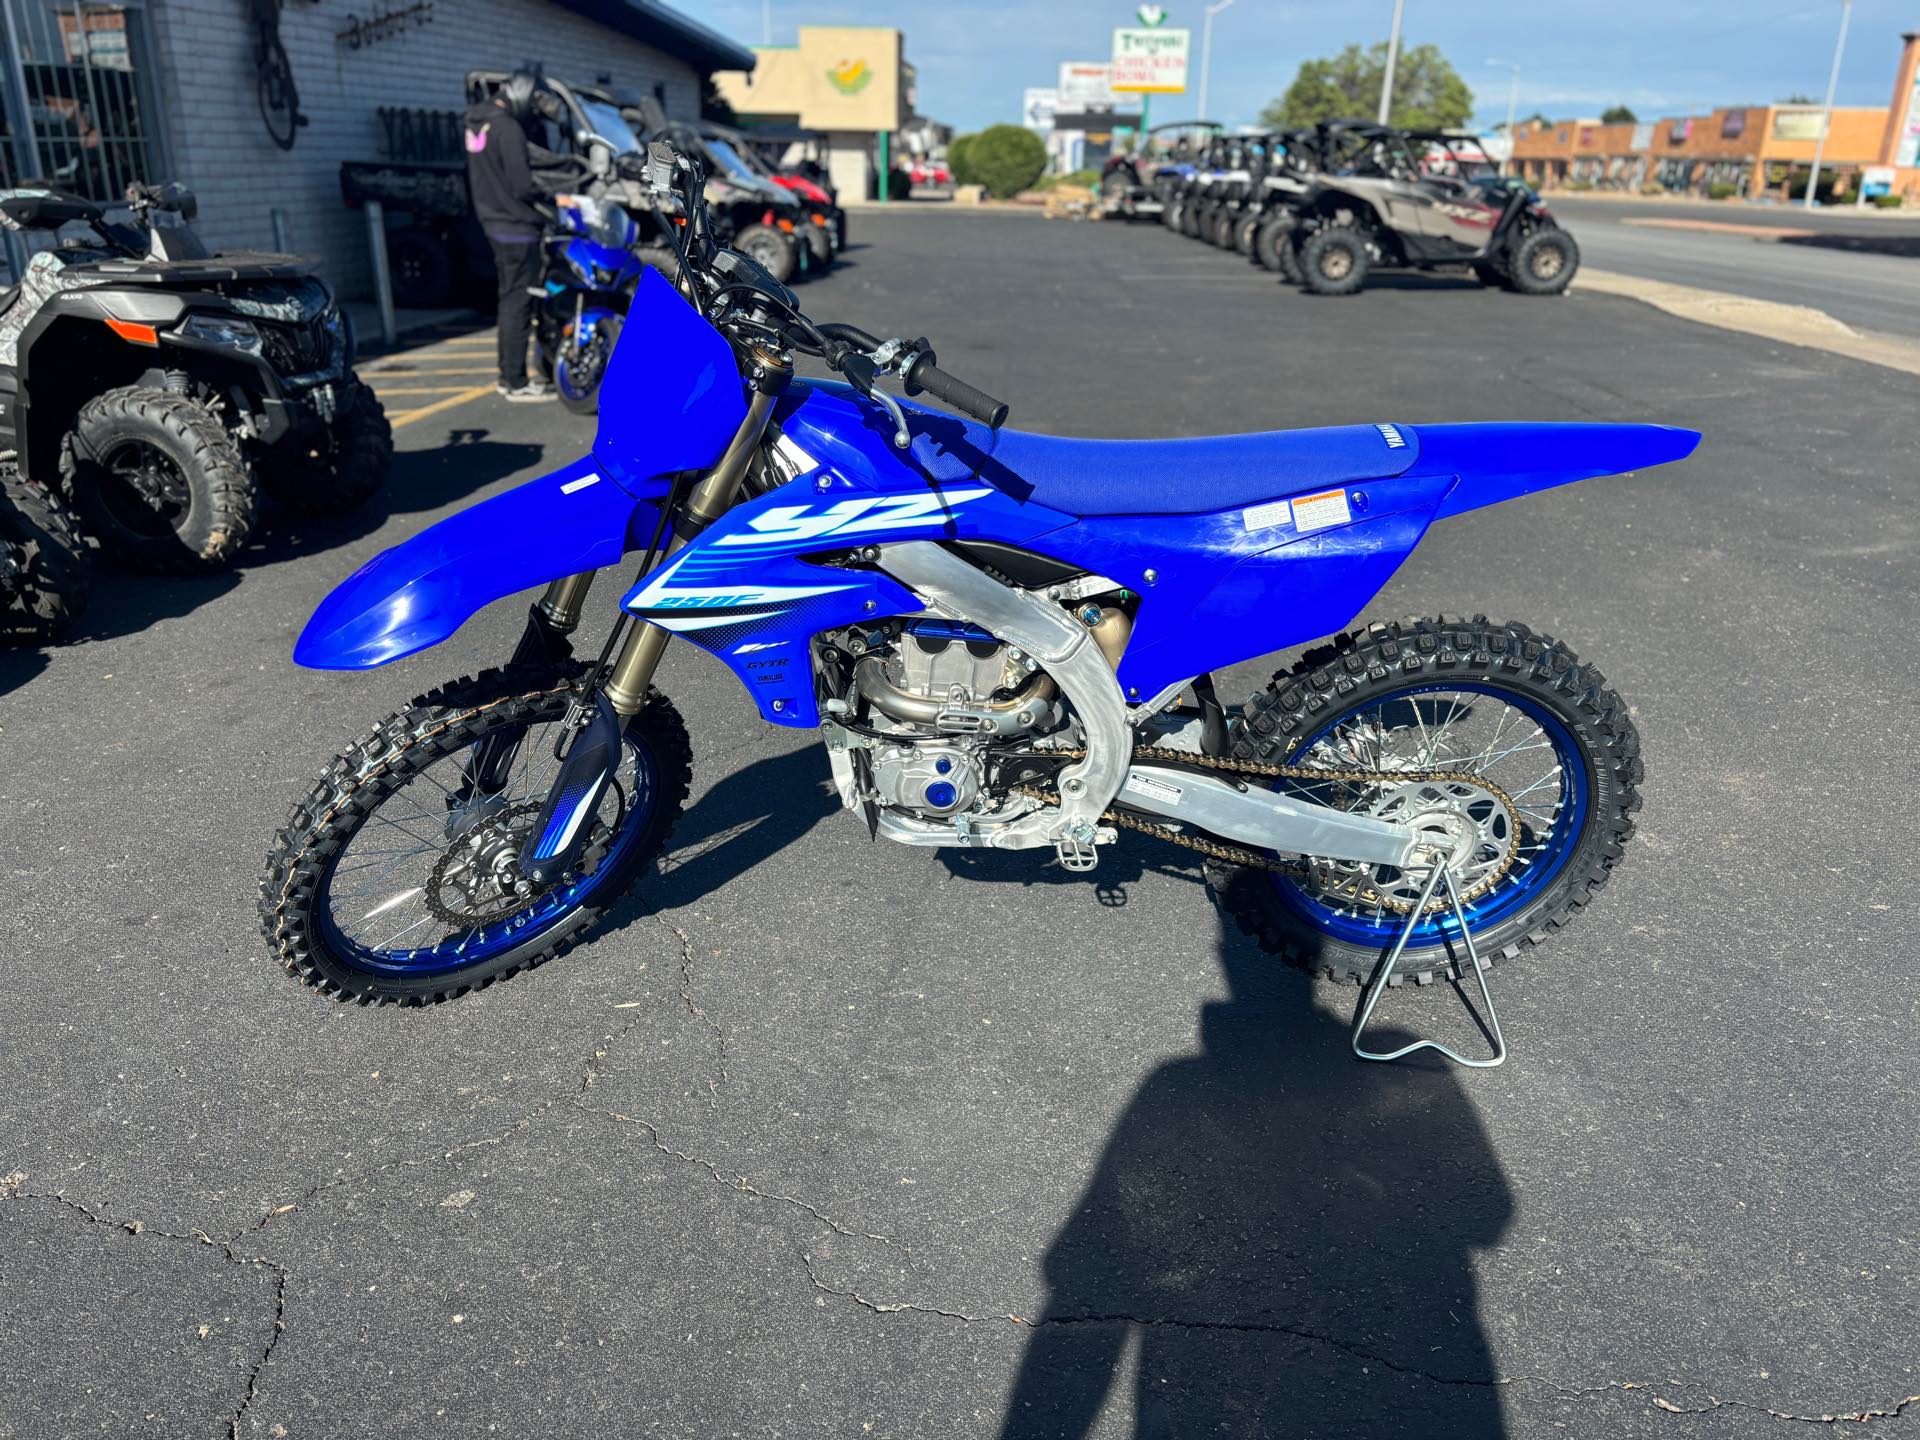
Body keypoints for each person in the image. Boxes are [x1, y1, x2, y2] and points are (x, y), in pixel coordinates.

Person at [464, 72, 551, 402]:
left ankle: (508, 376)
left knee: (508, 301)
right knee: (519, 303)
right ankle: (514, 381)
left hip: (493, 222)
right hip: (518, 227)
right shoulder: (508, 128)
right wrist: (552, 196)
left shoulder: (476, 123)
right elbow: (522, 184)